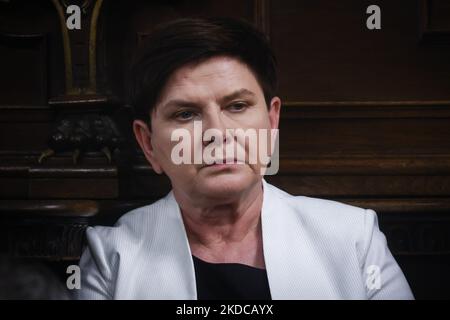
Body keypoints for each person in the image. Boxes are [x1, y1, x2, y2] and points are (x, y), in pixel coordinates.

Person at [75, 17, 414, 300]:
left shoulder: (353, 239)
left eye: (237, 106)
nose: (217, 132)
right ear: (148, 144)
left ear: (271, 121)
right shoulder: (111, 259)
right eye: (185, 114)